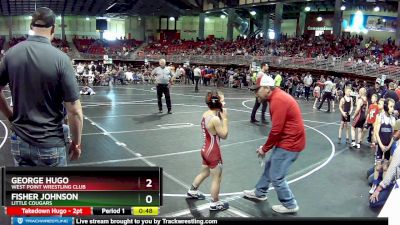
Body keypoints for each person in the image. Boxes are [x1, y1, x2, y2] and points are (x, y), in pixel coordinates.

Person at [0, 7, 83, 166]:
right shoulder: (61, 59)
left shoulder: (11, 54)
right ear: (53, 29)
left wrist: (10, 116)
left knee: (25, 189)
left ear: (31, 27)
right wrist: (77, 143)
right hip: (50, 143)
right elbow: (75, 111)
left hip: (20, 141)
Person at [244, 75, 306, 214]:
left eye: (257, 90)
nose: (255, 93)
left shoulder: (278, 100)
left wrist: (264, 149)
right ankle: (259, 192)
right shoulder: (276, 97)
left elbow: (277, 130)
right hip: (287, 140)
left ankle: (290, 204)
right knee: (270, 166)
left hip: (290, 143)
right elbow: (279, 129)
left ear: (266, 88)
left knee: (276, 176)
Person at [187, 91, 229, 211]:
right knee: (217, 178)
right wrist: (225, 119)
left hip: (205, 149)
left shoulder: (206, 114)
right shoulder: (215, 119)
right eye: (222, 100)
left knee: (205, 172)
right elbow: (224, 135)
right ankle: (215, 203)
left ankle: (192, 191)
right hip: (213, 152)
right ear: (217, 103)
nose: (224, 102)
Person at [370, 121, 400, 208]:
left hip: (395, 179)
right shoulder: (396, 142)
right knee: (371, 176)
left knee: (373, 202)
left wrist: (379, 188)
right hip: (391, 167)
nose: (393, 134)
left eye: (395, 131)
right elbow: (391, 160)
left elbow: (393, 168)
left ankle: (393, 199)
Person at [370, 98, 396, 194]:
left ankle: (382, 186)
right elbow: (376, 132)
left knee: (385, 167)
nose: (392, 109)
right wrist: (380, 145)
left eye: (393, 107)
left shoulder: (393, 119)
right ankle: (374, 184)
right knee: (377, 167)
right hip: (380, 146)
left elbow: (393, 135)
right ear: (385, 106)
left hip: (388, 147)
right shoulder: (379, 117)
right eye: (391, 106)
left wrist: (389, 146)